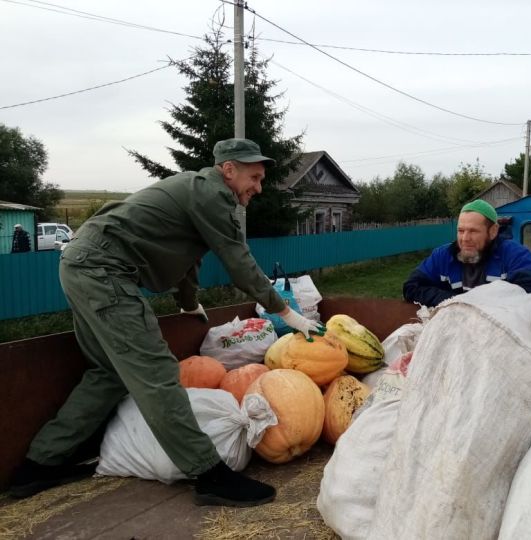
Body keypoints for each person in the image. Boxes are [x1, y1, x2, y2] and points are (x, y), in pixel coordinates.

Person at [8, 138, 325, 507]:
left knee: (109, 372)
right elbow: (237, 259)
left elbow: (189, 258)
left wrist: (189, 304)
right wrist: (286, 313)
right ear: (229, 171)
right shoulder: (213, 195)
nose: (258, 187)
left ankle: (39, 465)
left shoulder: (197, 191)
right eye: (253, 177)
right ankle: (208, 474)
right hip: (104, 271)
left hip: (82, 264)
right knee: (156, 374)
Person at [403, 199, 531, 307]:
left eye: (473, 231)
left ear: (493, 231)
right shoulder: (442, 255)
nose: (465, 239)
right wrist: (455, 302)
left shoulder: (514, 254)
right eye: (461, 231)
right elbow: (411, 287)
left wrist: (473, 305)